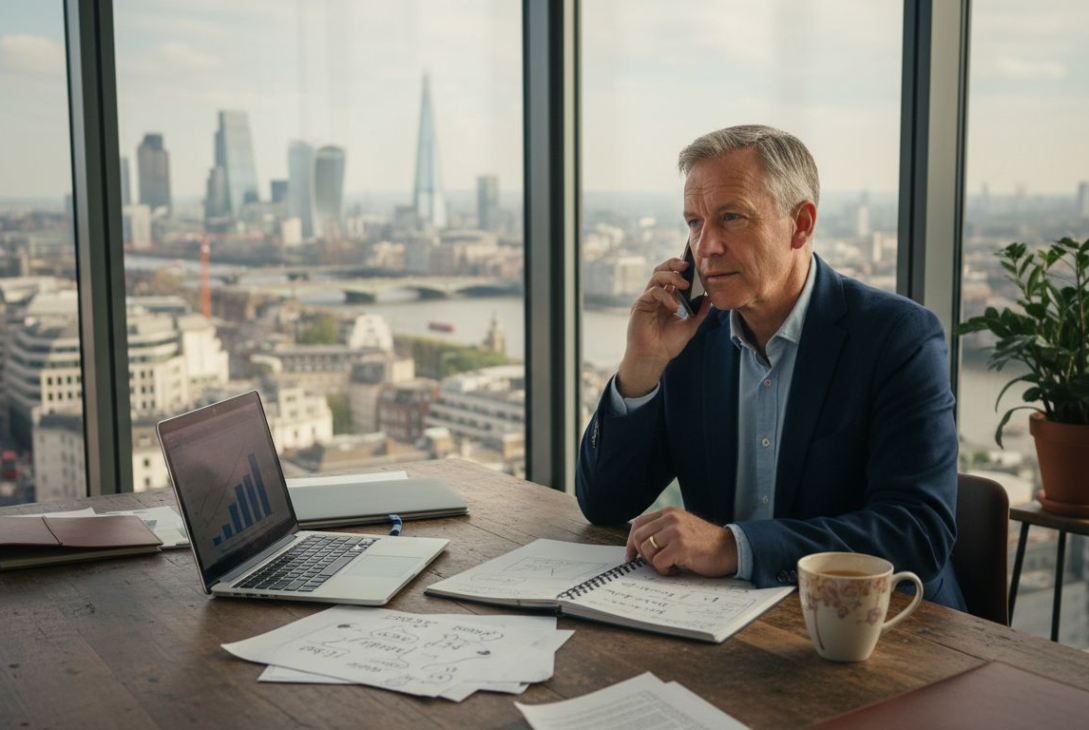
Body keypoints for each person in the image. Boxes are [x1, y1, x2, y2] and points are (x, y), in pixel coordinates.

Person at [575, 124, 965, 609]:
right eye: (695, 222)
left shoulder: (898, 337)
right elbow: (604, 503)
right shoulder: (690, 337)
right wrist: (641, 366)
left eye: (731, 217)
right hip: (722, 618)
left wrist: (734, 547)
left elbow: (917, 532)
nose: (706, 246)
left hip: (881, 624)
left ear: (801, 224)